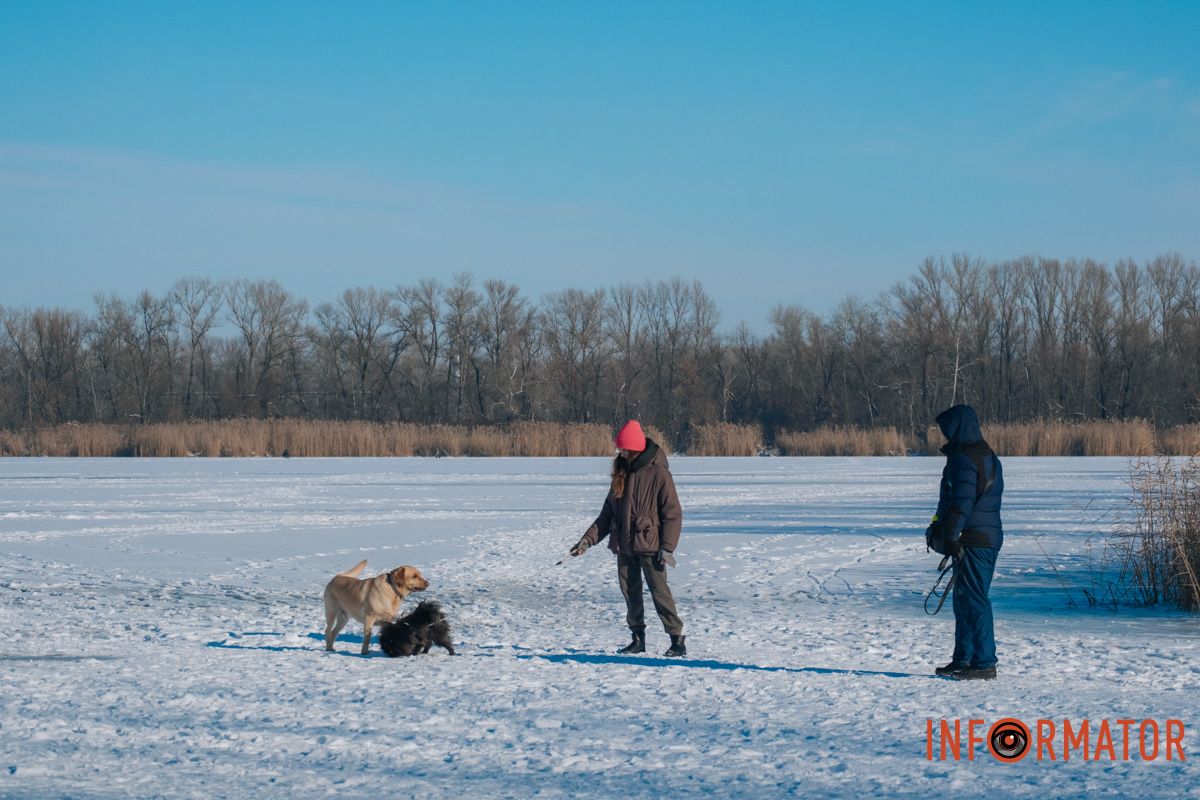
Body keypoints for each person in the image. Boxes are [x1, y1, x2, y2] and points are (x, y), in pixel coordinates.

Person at [569, 420, 687, 657]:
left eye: (624, 449)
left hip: (651, 546)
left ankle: (677, 640)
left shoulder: (659, 473)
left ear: (635, 447)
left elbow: (672, 514)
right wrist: (586, 541)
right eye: (619, 449)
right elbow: (606, 515)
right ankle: (637, 639)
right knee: (630, 593)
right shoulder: (620, 473)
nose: (620, 453)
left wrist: (667, 547)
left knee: (660, 593)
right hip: (624, 545)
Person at [926, 404, 1004, 680]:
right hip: (982, 536)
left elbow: (961, 502)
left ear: (957, 427)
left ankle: (984, 662)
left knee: (974, 599)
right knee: (964, 599)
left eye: (946, 429)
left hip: (974, 539)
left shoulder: (964, 458)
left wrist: (949, 535)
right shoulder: (987, 455)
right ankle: (965, 657)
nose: (943, 435)